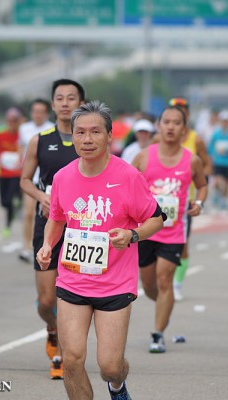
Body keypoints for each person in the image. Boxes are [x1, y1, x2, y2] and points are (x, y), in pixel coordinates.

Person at [37, 101, 164, 400]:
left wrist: (132, 235)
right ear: (72, 136)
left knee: (109, 366)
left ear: (109, 136)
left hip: (115, 283)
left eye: (95, 132)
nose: (87, 139)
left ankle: (117, 385)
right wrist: (47, 245)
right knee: (72, 359)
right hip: (73, 279)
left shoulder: (128, 176)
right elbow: (57, 218)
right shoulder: (63, 177)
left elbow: (156, 219)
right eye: (80, 132)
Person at [20, 80, 83, 378]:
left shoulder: (89, 139)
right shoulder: (40, 140)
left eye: (71, 98)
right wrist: (42, 196)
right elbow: (24, 180)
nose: (65, 103)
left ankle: (63, 355)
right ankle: (52, 328)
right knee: (47, 301)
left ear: (81, 103)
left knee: (70, 296)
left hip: (81, 229)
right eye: (60, 98)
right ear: (53, 104)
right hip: (46, 225)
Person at [133, 105, 207, 353]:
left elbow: (202, 185)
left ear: (184, 130)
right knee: (149, 286)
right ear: (159, 126)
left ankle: (158, 333)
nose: (171, 127)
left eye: (177, 123)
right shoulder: (144, 156)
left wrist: (199, 203)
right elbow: (127, 184)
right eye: (166, 122)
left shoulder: (192, 160)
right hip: (145, 229)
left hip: (173, 232)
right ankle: (165, 303)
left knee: (165, 279)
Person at [155, 97, 212, 302]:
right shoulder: (157, 139)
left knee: (183, 246)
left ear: (186, 116)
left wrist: (196, 179)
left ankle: (176, 284)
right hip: (156, 202)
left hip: (183, 203)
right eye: (170, 114)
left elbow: (206, 165)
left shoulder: (196, 140)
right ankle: (159, 284)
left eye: (181, 111)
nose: (172, 124)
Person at [18, 99, 55, 263]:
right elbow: (21, 147)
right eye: (35, 111)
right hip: (31, 178)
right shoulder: (24, 128)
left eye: (41, 112)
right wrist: (20, 163)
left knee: (48, 215)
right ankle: (27, 247)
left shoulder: (53, 128)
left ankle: (45, 246)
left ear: (47, 113)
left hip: (48, 179)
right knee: (28, 213)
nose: (37, 115)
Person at [0, 107, 24, 239]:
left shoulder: (22, 136)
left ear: (19, 121)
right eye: (10, 120)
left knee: (11, 200)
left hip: (16, 174)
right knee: (5, 202)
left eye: (15, 120)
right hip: (3, 173)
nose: (12, 123)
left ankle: (7, 225)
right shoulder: (0, 135)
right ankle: (17, 203)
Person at [209, 109, 228, 211]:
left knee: (226, 183)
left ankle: (223, 201)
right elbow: (210, 146)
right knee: (217, 181)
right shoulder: (216, 134)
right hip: (218, 162)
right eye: (223, 121)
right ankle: (217, 195)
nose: (225, 123)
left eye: (226, 121)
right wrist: (213, 154)